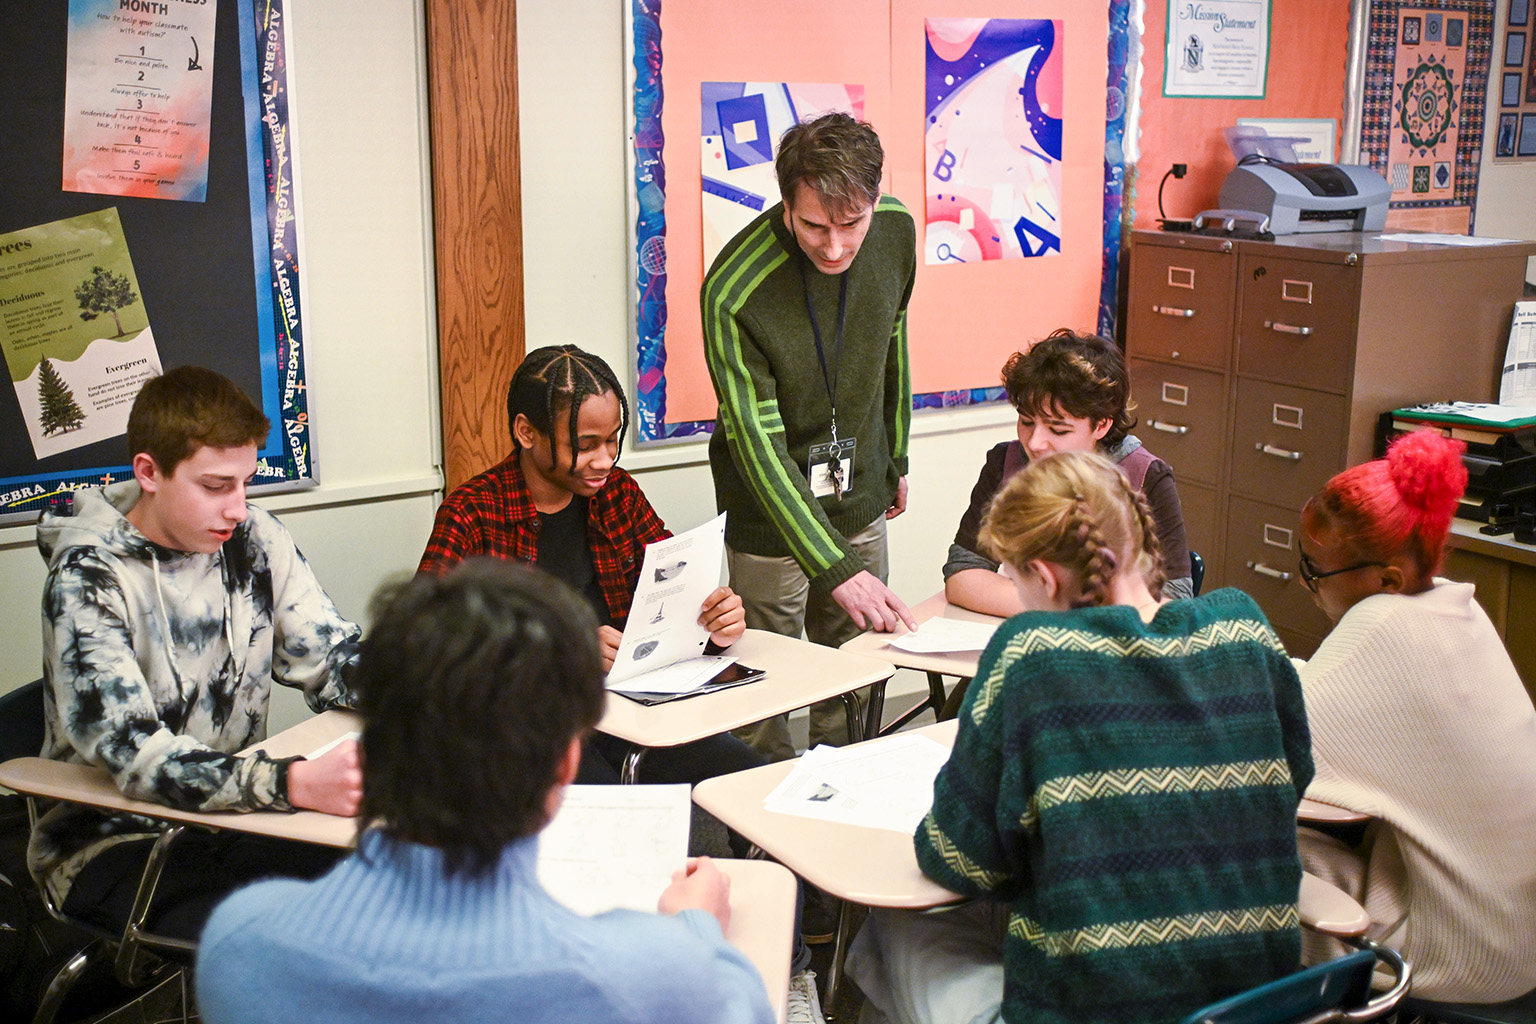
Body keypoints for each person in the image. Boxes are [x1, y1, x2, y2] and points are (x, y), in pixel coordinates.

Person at [196, 560, 776, 1024]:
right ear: (566, 765)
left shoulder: (240, 942)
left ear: (369, 753)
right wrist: (697, 930)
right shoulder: (655, 975)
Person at [847, 451, 1312, 1024]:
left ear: (1042, 576)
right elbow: (1294, 779)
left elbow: (959, 862)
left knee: (893, 922)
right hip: (1260, 1006)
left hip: (1093, 1012)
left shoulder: (1033, 657)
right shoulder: (1242, 626)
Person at [30, 366, 362, 943]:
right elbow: (138, 756)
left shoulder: (252, 539)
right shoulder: (87, 577)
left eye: (245, 482)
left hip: (236, 816)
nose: (239, 507)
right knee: (315, 936)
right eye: (215, 486)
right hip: (119, 842)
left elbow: (329, 656)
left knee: (395, 877)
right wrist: (295, 785)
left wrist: (440, 692)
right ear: (149, 472)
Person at [417, 344, 765, 789]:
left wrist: (712, 622)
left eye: (613, 440)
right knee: (613, 814)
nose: (605, 460)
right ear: (526, 432)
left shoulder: (618, 493)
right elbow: (424, 653)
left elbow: (673, 596)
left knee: (749, 780)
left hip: (630, 708)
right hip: (531, 727)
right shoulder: (471, 513)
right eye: (584, 446)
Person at [702, 110, 917, 760]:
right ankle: (756, 824)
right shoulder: (735, 291)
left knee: (853, 669)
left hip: (859, 491)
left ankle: (842, 794)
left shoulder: (897, 230)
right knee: (763, 682)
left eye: (851, 224)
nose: (833, 246)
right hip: (769, 518)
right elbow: (757, 444)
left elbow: (893, 342)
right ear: (785, 202)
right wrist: (833, 567)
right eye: (813, 225)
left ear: (875, 200)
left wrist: (896, 452)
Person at [1293, 429, 1536, 1002]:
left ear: (1387, 580)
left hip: (1467, 954)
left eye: (1315, 572)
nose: (1307, 587)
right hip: (1515, 931)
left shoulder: (1382, 629)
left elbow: (1264, 737)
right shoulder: (1453, 608)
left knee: (1237, 857)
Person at [945, 328, 1192, 621]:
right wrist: (1064, 607)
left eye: (1058, 429)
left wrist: (1055, 606)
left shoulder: (1144, 475)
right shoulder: (1006, 462)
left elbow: (1174, 600)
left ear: (1101, 425)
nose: (1035, 443)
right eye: (1026, 421)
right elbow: (962, 574)